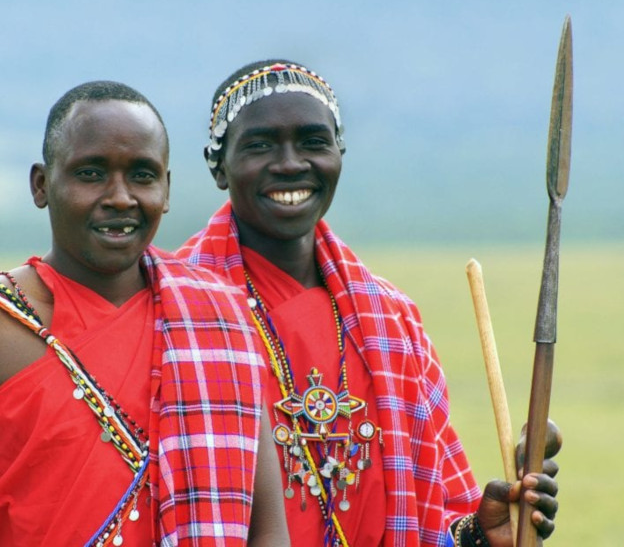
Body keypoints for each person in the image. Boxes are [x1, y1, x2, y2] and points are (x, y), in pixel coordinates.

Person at [0, 81, 290, 546]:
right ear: (42, 185)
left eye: (142, 175)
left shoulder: (219, 318)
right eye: (91, 174)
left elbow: (266, 530)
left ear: (166, 189)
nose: (120, 197)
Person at [176, 60, 560, 547]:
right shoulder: (173, 311)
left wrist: (480, 534)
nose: (291, 163)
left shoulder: (391, 319)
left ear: (339, 154)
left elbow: (434, 520)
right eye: (260, 145)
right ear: (219, 166)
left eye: (314, 142)